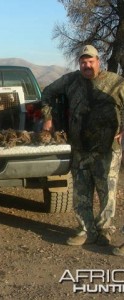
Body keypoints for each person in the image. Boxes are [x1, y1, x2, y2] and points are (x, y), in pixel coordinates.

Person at [41, 45, 124, 248]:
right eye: (83, 62)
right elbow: (48, 93)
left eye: (91, 61)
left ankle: (104, 230)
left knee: (107, 192)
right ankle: (86, 230)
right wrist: (48, 118)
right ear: (79, 63)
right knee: (81, 192)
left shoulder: (116, 82)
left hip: (108, 148)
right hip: (80, 148)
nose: (87, 65)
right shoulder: (71, 81)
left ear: (98, 61)